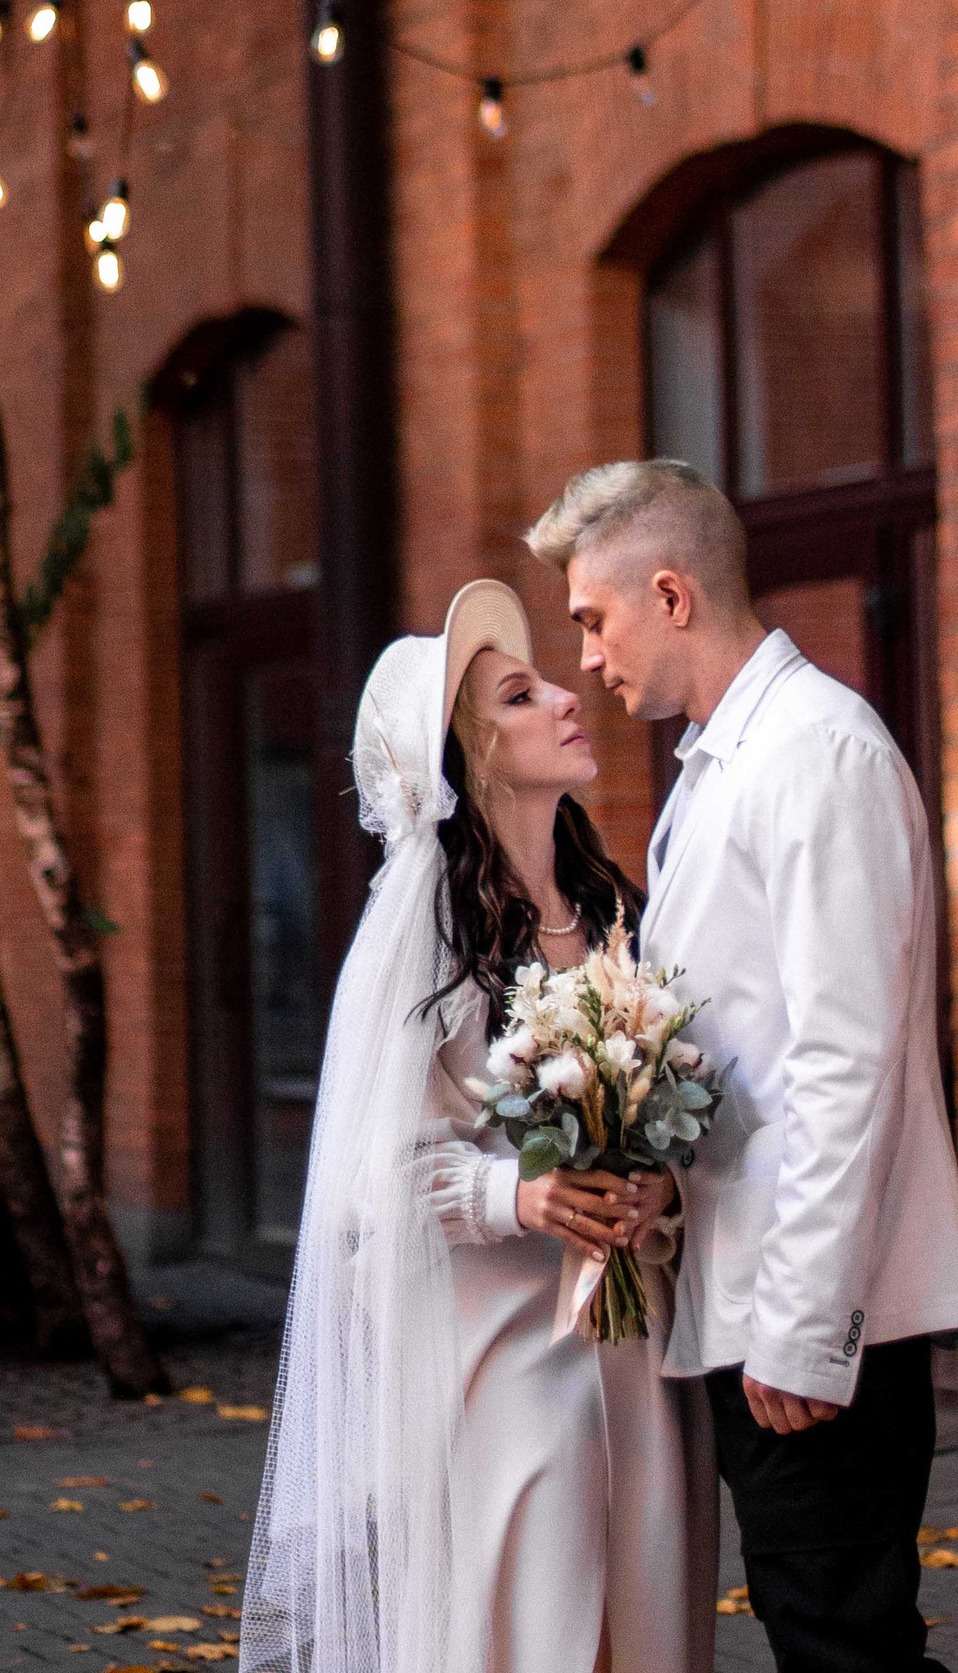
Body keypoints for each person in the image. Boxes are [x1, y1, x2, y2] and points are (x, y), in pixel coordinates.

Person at [527, 460, 958, 1673]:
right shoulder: (719, 764)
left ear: (669, 593)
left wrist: (801, 1329)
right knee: (825, 1633)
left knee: (843, 1644)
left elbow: (849, 1061)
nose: (585, 656)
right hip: (747, 1302)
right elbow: (748, 1051)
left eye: (592, 617)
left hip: (810, 1314)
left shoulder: (819, 752)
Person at [242, 578, 715, 1673]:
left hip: (634, 1347)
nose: (565, 694)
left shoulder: (614, 909)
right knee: (534, 1632)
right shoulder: (430, 934)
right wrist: (523, 1194)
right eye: (520, 695)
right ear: (471, 757)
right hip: (497, 1365)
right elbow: (363, 1182)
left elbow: (675, 1105)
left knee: (642, 1620)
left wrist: (658, 1185)